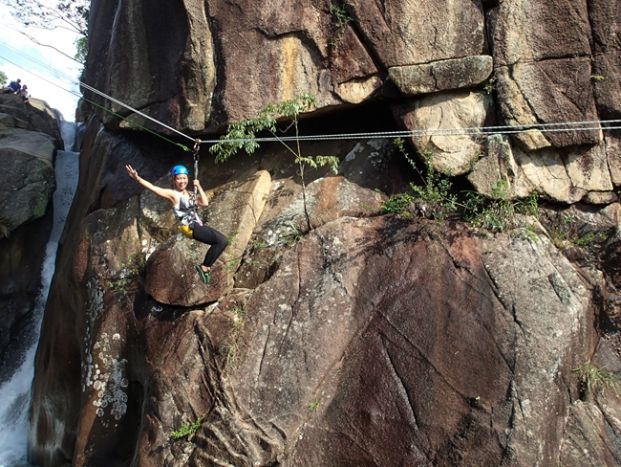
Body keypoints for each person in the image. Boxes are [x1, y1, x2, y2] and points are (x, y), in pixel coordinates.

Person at [125, 163, 228, 284]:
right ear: (174, 180)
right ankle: (204, 267)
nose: (182, 181)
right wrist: (137, 178)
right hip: (189, 227)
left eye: (184, 178)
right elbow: (154, 188)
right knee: (222, 240)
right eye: (179, 178)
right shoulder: (174, 195)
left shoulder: (190, 194)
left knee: (222, 241)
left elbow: (205, 203)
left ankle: (206, 267)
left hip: (197, 225)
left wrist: (199, 186)